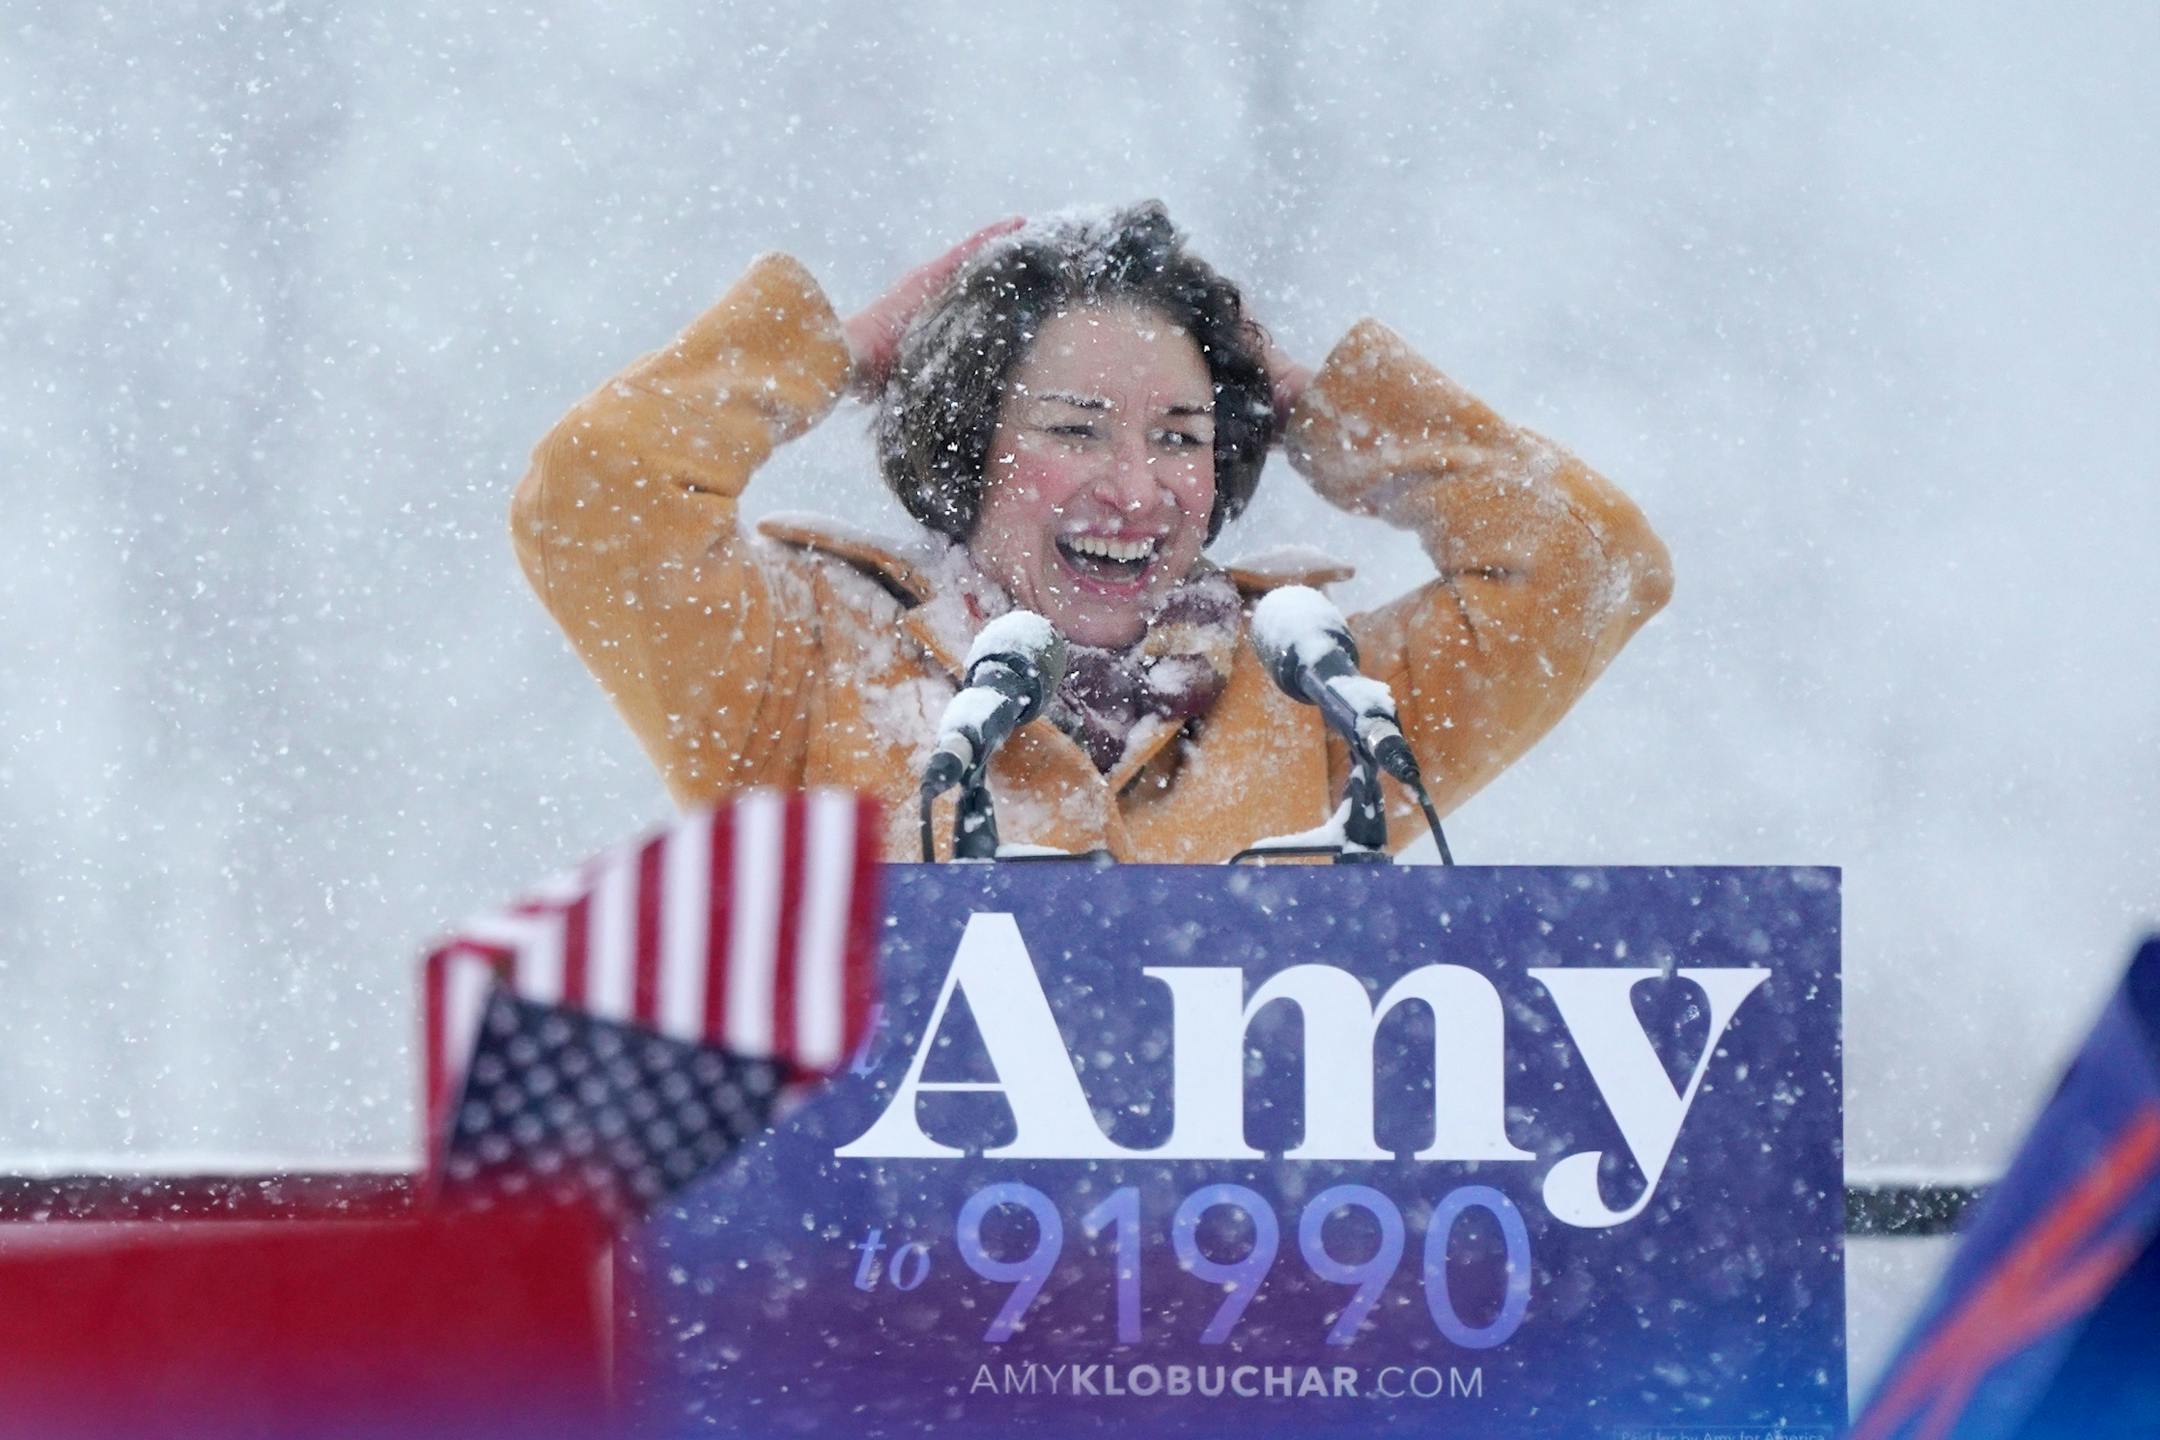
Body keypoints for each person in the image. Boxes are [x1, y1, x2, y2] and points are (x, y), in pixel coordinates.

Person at [510, 203, 1671, 861]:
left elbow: (1595, 567)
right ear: (966, 449)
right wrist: (849, 350)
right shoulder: (806, 664)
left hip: (1223, 1281)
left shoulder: (1312, 689)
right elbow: (591, 497)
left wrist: (1316, 403)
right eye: (1078, 430)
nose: (1136, 487)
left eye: (1179, 435)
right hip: (881, 1285)